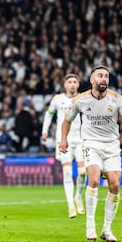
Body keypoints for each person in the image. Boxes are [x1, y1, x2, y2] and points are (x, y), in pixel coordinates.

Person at [59, 65, 122, 242]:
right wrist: (63, 139)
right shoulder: (80, 100)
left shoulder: (117, 99)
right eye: (100, 75)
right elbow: (67, 121)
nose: (104, 79)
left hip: (112, 147)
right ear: (92, 80)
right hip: (92, 144)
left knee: (114, 185)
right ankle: (90, 226)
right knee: (94, 180)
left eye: (106, 76)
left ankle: (106, 229)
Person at [41, 73, 86, 218]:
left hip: (80, 140)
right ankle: (70, 205)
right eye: (69, 82)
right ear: (65, 85)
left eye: (75, 82)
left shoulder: (83, 99)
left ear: (78, 85)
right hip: (63, 140)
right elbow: (49, 114)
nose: (72, 84)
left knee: (82, 172)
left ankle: (78, 196)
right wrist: (45, 131)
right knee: (67, 172)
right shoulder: (57, 99)